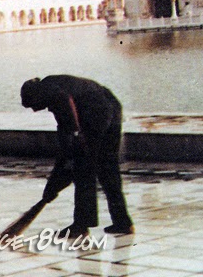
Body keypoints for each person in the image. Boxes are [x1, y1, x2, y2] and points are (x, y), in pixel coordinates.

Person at [21, 75, 134, 238]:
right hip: (112, 106)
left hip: (97, 112)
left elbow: (65, 102)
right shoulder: (56, 87)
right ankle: (123, 222)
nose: (35, 109)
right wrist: (53, 186)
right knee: (107, 169)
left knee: (84, 170)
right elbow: (65, 152)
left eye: (33, 105)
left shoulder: (48, 89)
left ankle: (81, 226)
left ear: (36, 96)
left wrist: (76, 132)